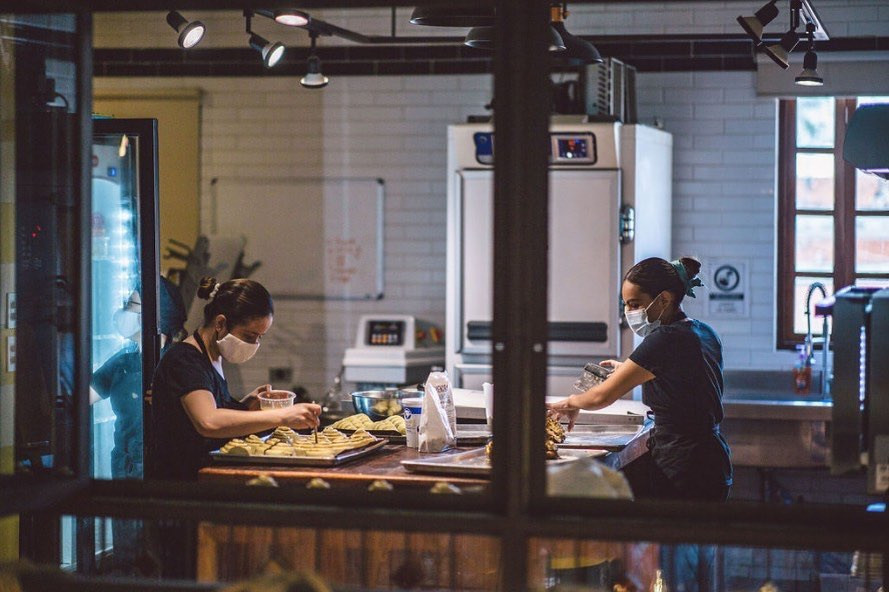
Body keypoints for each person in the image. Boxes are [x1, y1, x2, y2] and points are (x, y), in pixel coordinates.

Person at [548, 257, 732, 502]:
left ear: (664, 299)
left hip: (683, 466)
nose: (629, 313)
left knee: (674, 538)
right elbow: (684, 376)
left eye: (635, 304)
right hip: (712, 462)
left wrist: (570, 402)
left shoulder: (663, 340)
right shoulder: (704, 332)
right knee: (700, 538)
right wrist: (627, 369)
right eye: (625, 305)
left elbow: (602, 396)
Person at [149, 276, 321, 481]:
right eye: (249, 336)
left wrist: (246, 406)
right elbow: (208, 422)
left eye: (260, 337)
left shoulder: (213, 358)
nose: (255, 344)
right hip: (181, 488)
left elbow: (211, 413)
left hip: (207, 480)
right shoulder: (184, 360)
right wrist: (283, 416)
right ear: (221, 323)